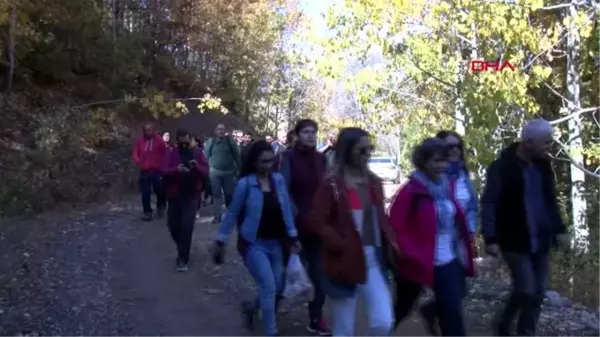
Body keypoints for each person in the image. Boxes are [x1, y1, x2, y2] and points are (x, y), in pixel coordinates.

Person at [305, 127, 396, 337]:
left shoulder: (374, 182)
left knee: (383, 322)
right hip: (343, 262)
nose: (367, 155)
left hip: (373, 260)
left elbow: (380, 218)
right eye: (361, 150)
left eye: (370, 149)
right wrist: (340, 243)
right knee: (344, 328)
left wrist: (393, 242)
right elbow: (316, 221)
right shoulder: (332, 184)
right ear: (347, 151)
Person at [481, 119, 567, 337]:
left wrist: (559, 229)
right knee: (526, 290)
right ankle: (503, 323)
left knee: (537, 293)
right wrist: (490, 238)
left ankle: (525, 333)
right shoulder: (502, 168)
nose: (550, 146)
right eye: (545, 142)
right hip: (515, 239)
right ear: (529, 142)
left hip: (541, 238)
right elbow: (490, 202)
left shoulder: (543, 166)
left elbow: (550, 200)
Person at [212, 140, 300, 337]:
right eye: (263, 161)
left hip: (276, 243)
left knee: (278, 287)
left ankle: (251, 307)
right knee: (268, 286)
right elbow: (233, 213)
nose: (268, 165)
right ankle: (271, 331)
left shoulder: (278, 181)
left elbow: (286, 210)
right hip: (253, 244)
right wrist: (220, 239)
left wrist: (293, 235)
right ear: (254, 162)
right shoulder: (245, 184)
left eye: (271, 161)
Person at [389, 137, 475, 337]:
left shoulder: (447, 186)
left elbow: (457, 219)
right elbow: (395, 227)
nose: (441, 166)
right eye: (436, 161)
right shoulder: (411, 191)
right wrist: (409, 252)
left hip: (448, 260)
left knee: (452, 311)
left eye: (444, 161)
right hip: (417, 262)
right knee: (401, 309)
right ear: (423, 161)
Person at [279, 119, 331, 336]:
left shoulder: (321, 159)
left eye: (313, 132)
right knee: (286, 277)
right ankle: (259, 307)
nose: (310, 135)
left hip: (317, 228)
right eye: (306, 132)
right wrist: (294, 219)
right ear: (298, 134)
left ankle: (315, 318)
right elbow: (283, 190)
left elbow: (328, 189)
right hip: (295, 227)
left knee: (320, 277)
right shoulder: (288, 158)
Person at [162, 129, 209, 271]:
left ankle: (183, 259)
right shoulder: (171, 152)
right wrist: (176, 169)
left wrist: (196, 167)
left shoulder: (197, 153)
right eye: (181, 142)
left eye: (186, 142)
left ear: (190, 139)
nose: (184, 144)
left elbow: (206, 171)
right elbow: (163, 170)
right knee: (173, 225)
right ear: (177, 140)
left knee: (187, 226)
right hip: (174, 195)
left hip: (191, 195)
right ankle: (182, 246)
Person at [204, 124, 241, 224]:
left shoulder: (230, 142)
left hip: (228, 173)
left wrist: (239, 169)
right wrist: (205, 170)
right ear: (216, 131)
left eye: (223, 129)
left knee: (229, 194)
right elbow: (206, 156)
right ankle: (217, 216)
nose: (221, 131)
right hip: (215, 173)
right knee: (216, 195)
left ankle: (231, 215)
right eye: (219, 129)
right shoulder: (211, 141)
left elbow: (237, 155)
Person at [132, 122, 168, 221]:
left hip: (157, 170)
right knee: (145, 192)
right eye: (146, 130)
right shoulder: (140, 141)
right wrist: (139, 161)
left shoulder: (159, 141)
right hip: (145, 170)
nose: (148, 132)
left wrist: (163, 165)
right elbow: (136, 152)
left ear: (153, 130)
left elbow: (165, 153)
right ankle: (147, 212)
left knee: (159, 190)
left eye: (149, 130)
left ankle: (161, 205)